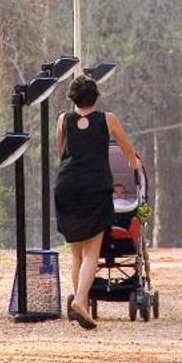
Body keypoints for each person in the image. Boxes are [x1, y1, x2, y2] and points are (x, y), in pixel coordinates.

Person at [53, 74, 142, 329]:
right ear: (96, 97)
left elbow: (61, 152)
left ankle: (82, 306)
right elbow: (129, 153)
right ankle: (80, 300)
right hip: (95, 188)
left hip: (67, 187)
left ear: (73, 98)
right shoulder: (108, 119)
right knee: (93, 251)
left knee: (76, 254)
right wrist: (134, 165)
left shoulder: (63, 120)